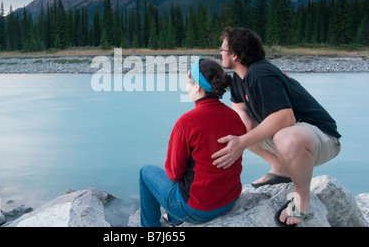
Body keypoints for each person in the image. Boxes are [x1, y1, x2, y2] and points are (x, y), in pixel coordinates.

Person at [212, 27, 341, 227]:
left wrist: (243, 142)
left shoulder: (261, 73)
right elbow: (239, 109)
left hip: (322, 138)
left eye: (222, 49)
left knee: (285, 137)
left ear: (235, 55)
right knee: (236, 127)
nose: (220, 53)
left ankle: (302, 198)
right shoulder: (239, 77)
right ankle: (281, 169)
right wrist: (241, 131)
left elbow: (285, 118)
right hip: (295, 136)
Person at [139, 58, 246, 227]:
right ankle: (173, 218)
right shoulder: (234, 116)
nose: (187, 87)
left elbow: (173, 173)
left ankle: (150, 228)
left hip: (197, 210)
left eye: (188, 82)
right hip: (229, 199)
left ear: (198, 87)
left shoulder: (186, 122)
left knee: (146, 173)